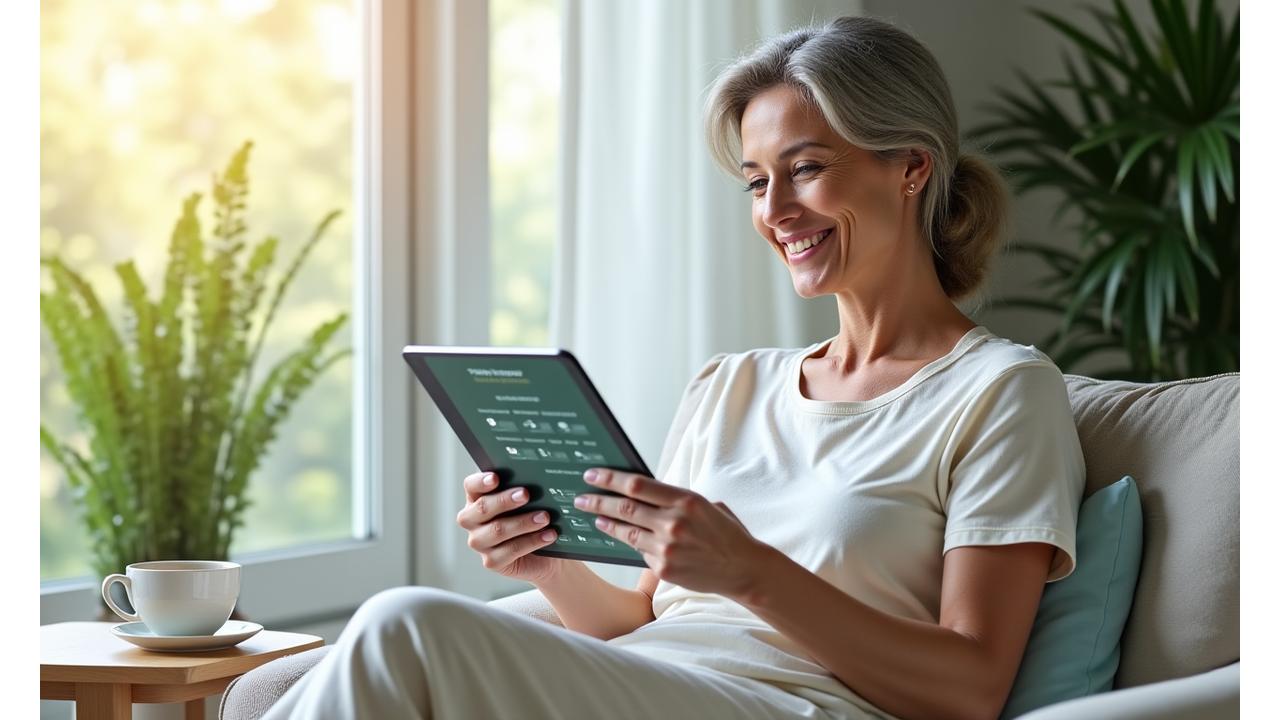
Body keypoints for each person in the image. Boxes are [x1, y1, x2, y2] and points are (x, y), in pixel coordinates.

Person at [262, 15, 1085, 720]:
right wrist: (544, 563)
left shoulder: (1001, 391)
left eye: (805, 169)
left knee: (404, 624)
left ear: (911, 166)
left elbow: (971, 687)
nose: (775, 211)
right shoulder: (731, 386)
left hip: (791, 706)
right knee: (394, 638)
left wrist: (751, 571)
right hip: (657, 685)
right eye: (756, 182)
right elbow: (640, 625)